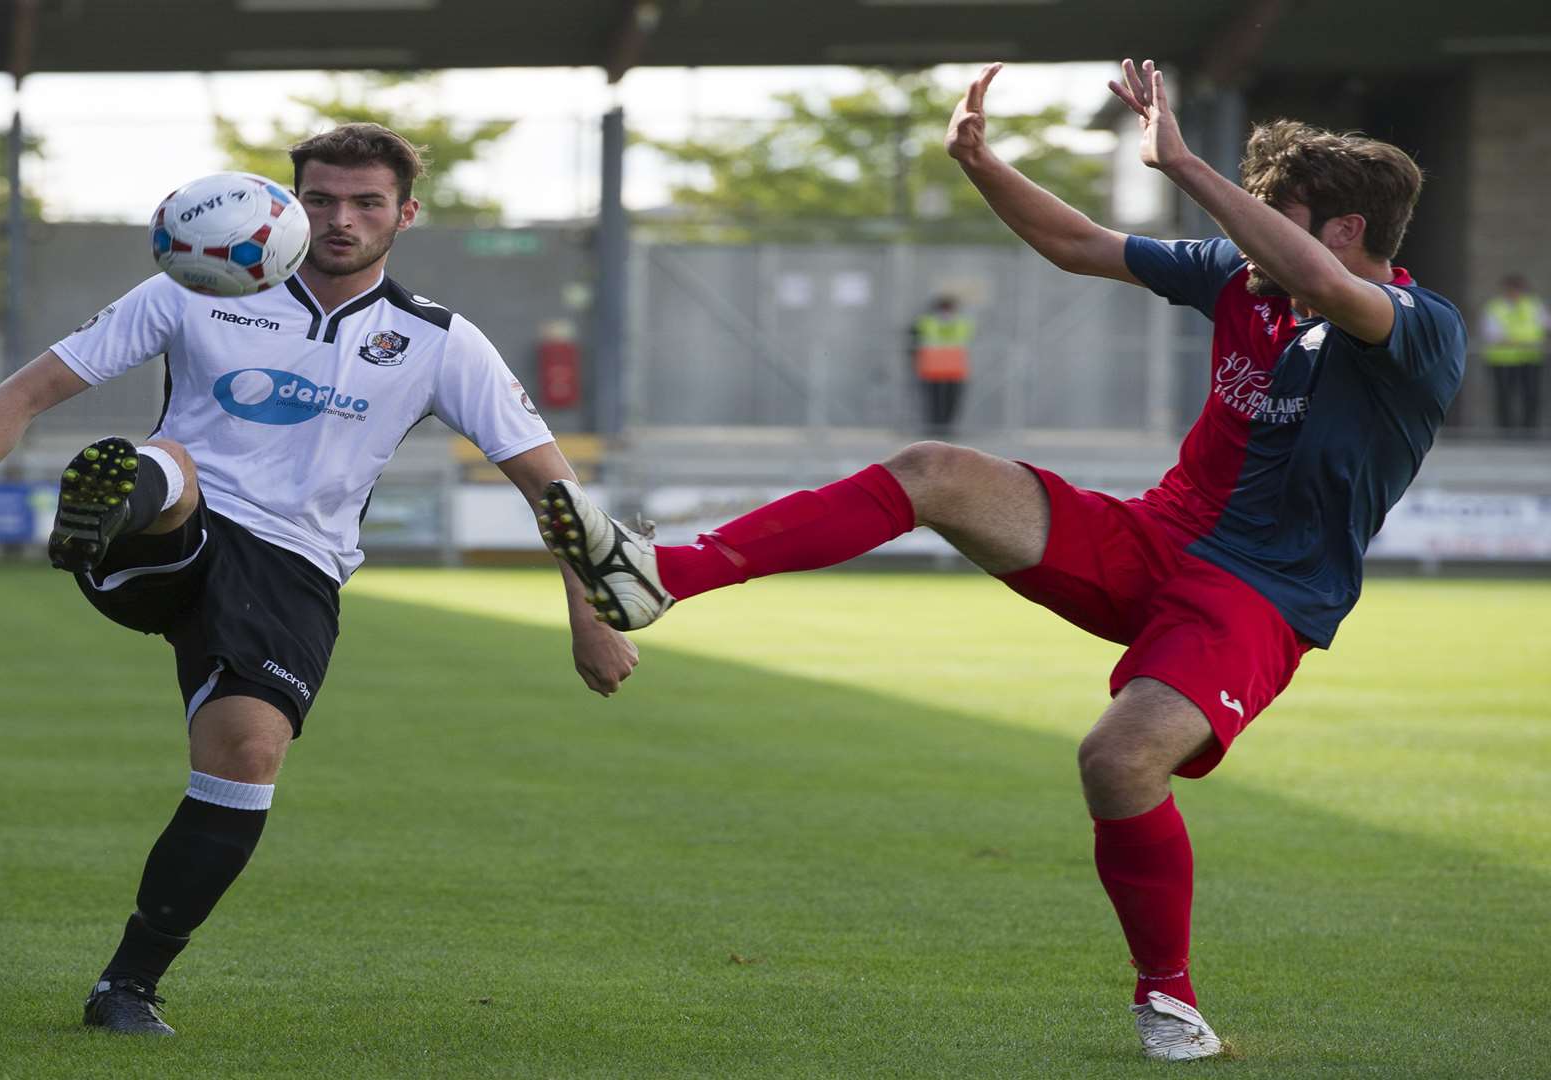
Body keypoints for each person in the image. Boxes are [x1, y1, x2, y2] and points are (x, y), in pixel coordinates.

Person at [538, 61, 1463, 1063]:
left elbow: (1332, 290)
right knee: (936, 469)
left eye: (1268, 215)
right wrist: (980, 164)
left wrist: (1185, 164)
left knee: (1117, 761)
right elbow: (1076, 243)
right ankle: (665, 572)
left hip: (1259, 593)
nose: (1243, 240)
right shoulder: (1248, 279)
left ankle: (1168, 1000)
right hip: (1152, 540)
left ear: (1343, 230)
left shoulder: (1415, 330)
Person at [0, 123, 639, 1036]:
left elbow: (553, 490)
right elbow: (17, 394)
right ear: (286, 205)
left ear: (404, 214)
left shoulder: (438, 341)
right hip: (179, 536)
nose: (341, 219)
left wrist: (592, 615)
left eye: (367, 202)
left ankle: (125, 987)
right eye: (321, 199)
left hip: (296, 569)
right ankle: (115, 509)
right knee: (165, 462)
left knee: (247, 757)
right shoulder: (194, 284)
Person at [1481, 273, 1547, 435]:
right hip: (1502, 360)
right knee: (1504, 396)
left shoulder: (1534, 305)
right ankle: (1506, 431)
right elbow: (1491, 334)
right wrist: (1521, 342)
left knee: (1531, 395)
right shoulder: (1495, 307)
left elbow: (1546, 325)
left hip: (1530, 358)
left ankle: (1529, 431)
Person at [908, 295, 974, 432]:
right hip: (933, 368)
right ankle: (935, 427)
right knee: (934, 401)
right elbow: (912, 340)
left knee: (950, 401)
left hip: (952, 369)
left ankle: (946, 428)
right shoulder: (926, 322)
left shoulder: (961, 323)